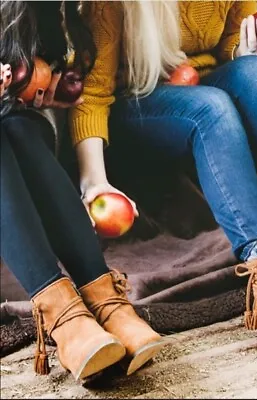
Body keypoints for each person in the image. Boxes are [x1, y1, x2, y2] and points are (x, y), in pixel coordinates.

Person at [70, 1, 257, 364]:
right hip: (132, 110)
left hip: (200, 86)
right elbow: (94, 93)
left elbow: (229, 44)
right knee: (210, 108)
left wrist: (251, 46)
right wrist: (94, 182)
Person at [0, 0, 164, 381]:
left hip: (21, 136)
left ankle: (107, 304)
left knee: (19, 128)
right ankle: (65, 320)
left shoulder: (60, 11)